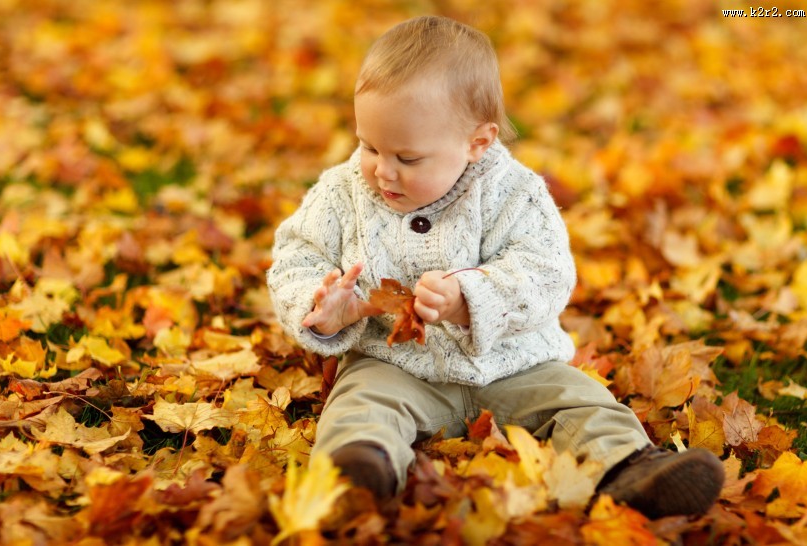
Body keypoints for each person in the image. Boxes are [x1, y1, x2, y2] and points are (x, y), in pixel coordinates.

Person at [266, 15, 724, 519]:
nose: (382, 170)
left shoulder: (515, 193)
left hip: (515, 363)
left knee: (579, 400)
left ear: (477, 143)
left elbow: (546, 272)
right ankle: (359, 471)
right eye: (369, 146)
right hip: (394, 365)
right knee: (360, 403)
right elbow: (296, 256)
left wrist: (472, 297)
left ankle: (630, 467)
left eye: (408, 158)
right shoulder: (341, 191)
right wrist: (321, 306)